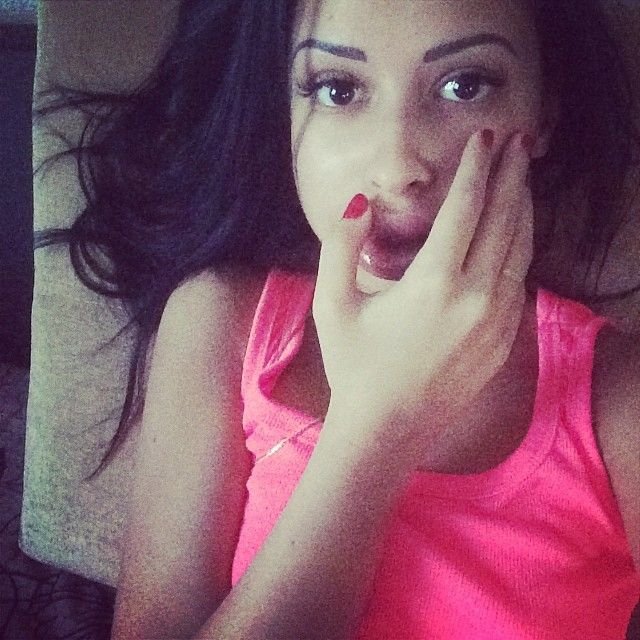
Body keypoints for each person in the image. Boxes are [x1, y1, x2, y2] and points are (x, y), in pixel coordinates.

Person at [33, 0, 640, 638]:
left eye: (466, 86)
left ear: (544, 113)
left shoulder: (616, 396)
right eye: (339, 89)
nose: (398, 167)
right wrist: (380, 423)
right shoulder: (223, 320)